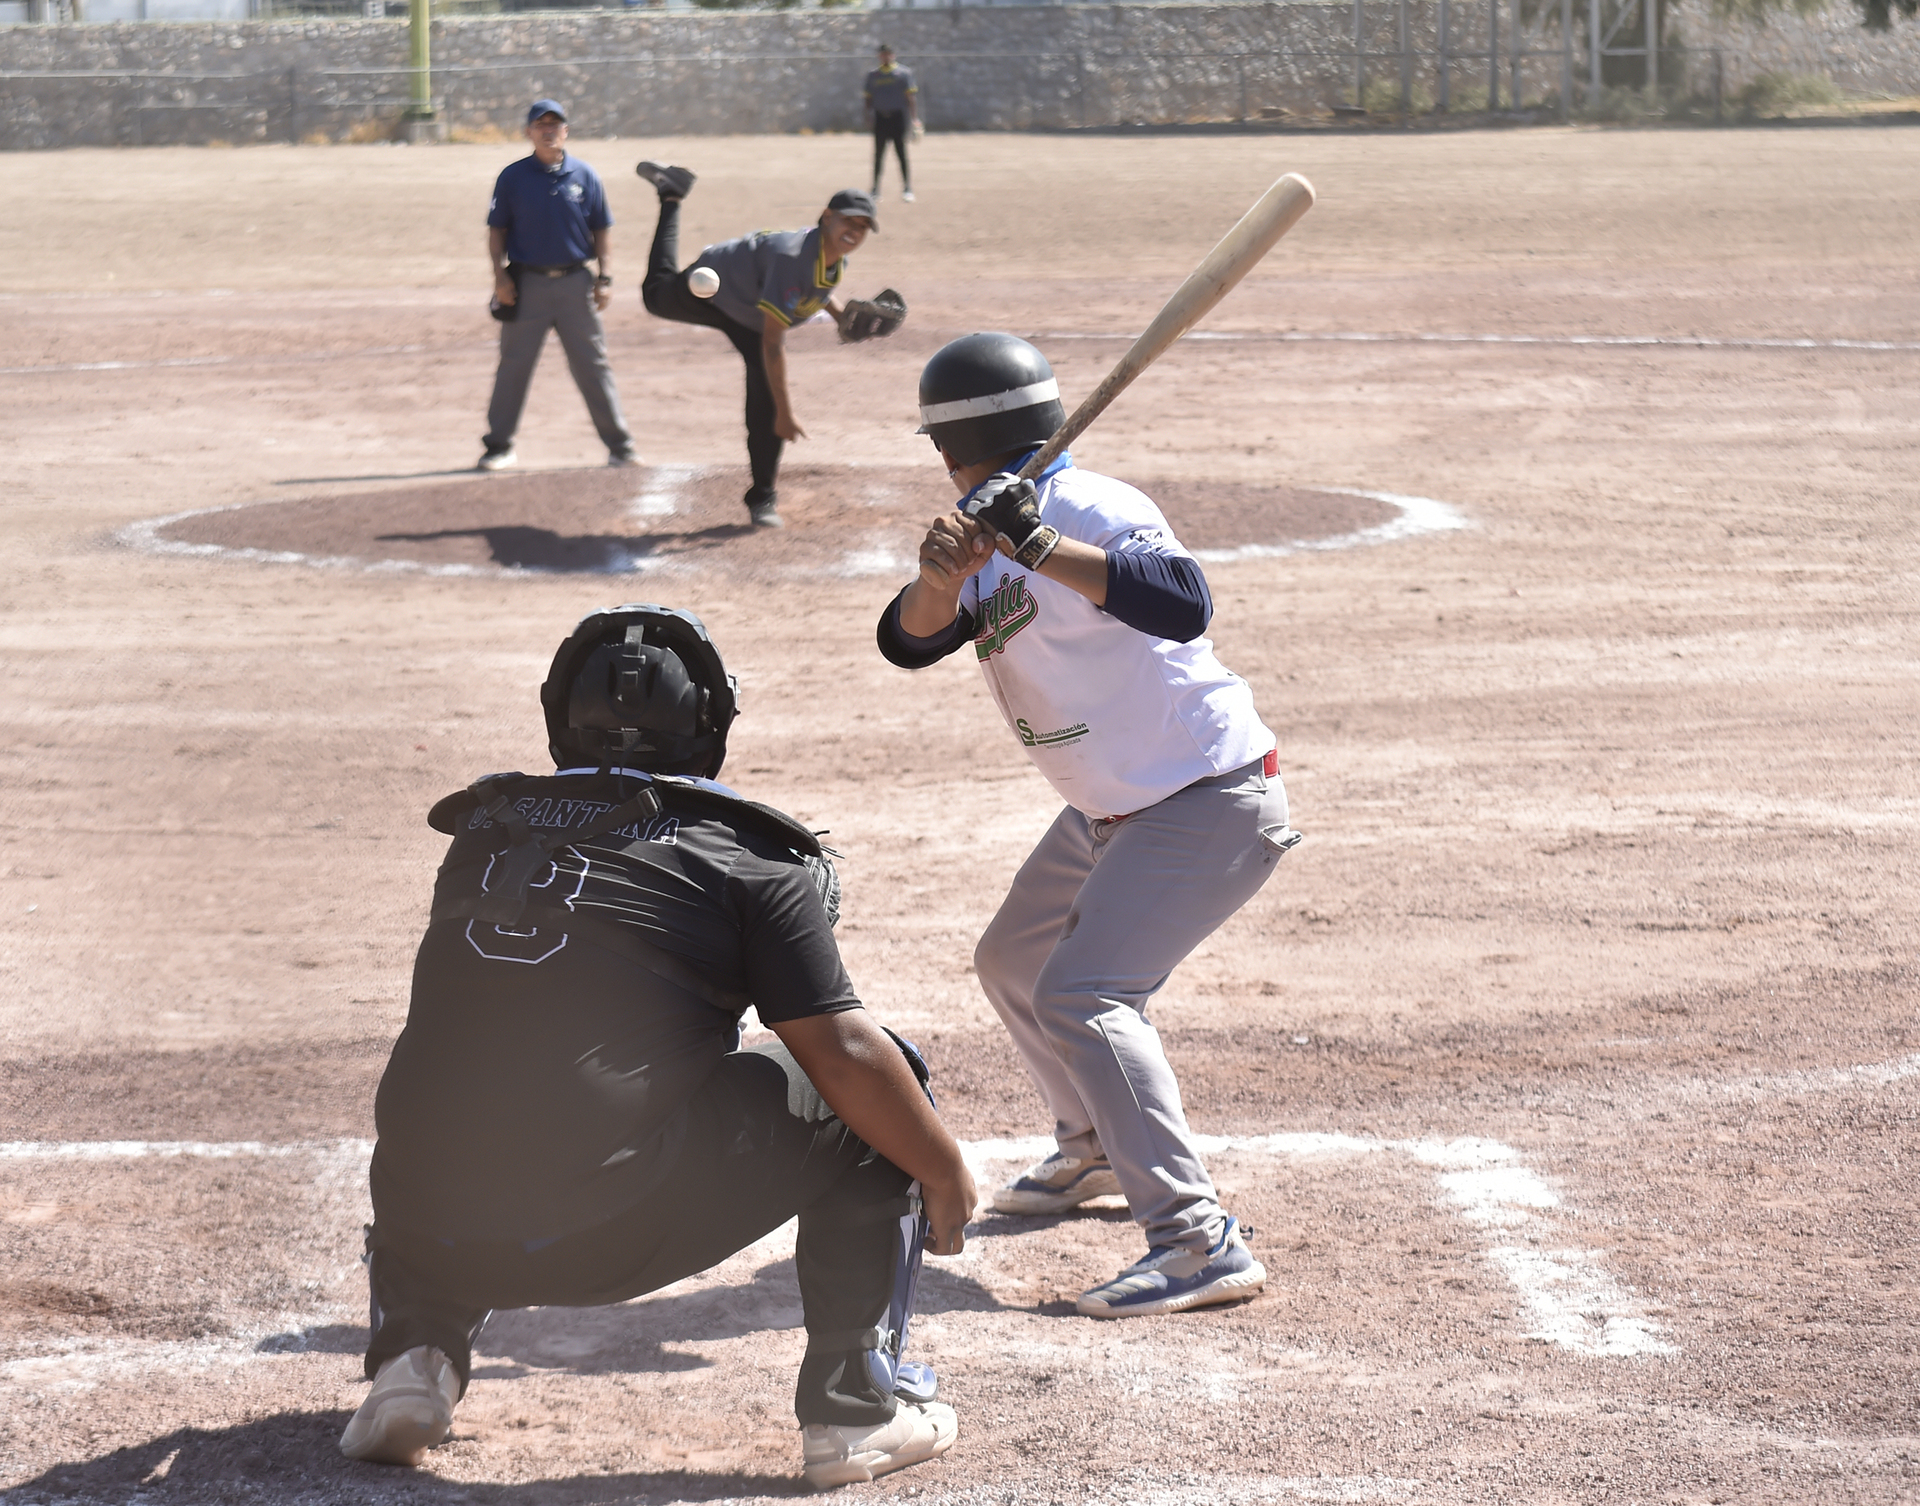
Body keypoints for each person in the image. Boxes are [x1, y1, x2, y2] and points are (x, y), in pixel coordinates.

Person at [342, 604, 975, 1489]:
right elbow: (844, 1056)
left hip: (430, 1225)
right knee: (882, 1085)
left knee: (464, 1077)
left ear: (558, 713)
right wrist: (943, 1170)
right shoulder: (752, 854)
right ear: (712, 725)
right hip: (606, 1234)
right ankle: (854, 1412)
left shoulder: (480, 830)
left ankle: (415, 1359)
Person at [874, 334, 1301, 1319]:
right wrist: (940, 576)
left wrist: (1038, 548)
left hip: (1203, 795)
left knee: (1087, 993)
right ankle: (1095, 1145)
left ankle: (1196, 1241)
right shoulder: (987, 523)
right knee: (1014, 960)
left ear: (946, 445)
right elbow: (908, 642)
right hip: (1112, 808)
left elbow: (1183, 604)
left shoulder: (1092, 507)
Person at [634, 164, 877, 530]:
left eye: (863, 227)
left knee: (764, 400)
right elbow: (773, 343)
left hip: (750, 311)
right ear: (827, 217)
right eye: (849, 221)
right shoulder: (791, 258)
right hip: (715, 288)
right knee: (655, 296)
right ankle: (671, 195)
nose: (854, 232)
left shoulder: (831, 255)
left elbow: (816, 288)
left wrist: (842, 317)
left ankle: (762, 497)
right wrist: (785, 413)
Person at [477, 99, 637, 473]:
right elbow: (497, 229)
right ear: (529, 132)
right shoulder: (513, 177)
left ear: (566, 130)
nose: (548, 130)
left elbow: (602, 229)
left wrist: (605, 277)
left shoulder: (585, 175)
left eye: (555, 124)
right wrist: (499, 276)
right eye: (541, 125)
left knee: (593, 365)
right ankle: (498, 446)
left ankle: (621, 446)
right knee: (513, 366)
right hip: (526, 285)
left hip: (576, 284)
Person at [863, 45, 918, 203]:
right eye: (883, 54)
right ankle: (875, 189)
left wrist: (914, 118)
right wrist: (868, 116)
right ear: (879, 56)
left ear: (893, 55)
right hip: (880, 117)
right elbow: (868, 98)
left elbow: (910, 97)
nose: (886, 57)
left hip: (897, 117)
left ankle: (907, 188)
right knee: (878, 154)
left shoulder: (903, 73)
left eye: (888, 54)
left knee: (901, 153)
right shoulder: (873, 75)